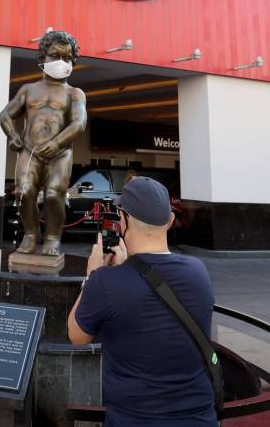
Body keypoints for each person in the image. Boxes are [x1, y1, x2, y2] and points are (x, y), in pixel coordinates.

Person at [68, 176, 218, 427]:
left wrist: (91, 277)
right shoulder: (199, 271)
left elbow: (76, 336)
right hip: (199, 418)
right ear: (170, 222)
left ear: (123, 220)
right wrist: (127, 267)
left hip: (134, 419)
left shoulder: (105, 281)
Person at [0, 30, 87, 256]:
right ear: (42, 59)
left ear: (73, 62)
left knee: (53, 194)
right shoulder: (28, 89)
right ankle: (30, 234)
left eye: (66, 58)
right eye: (54, 56)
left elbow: (79, 124)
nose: (60, 62)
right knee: (24, 192)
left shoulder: (75, 93)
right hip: (30, 151)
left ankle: (53, 237)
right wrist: (13, 135)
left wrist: (57, 143)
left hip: (60, 153)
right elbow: (6, 115)